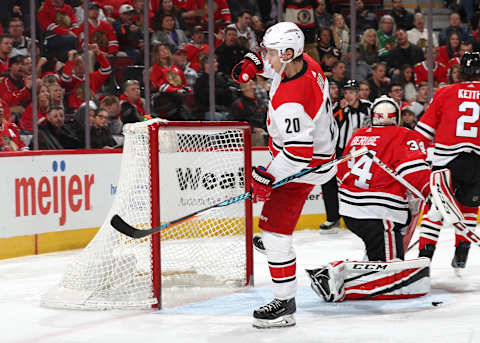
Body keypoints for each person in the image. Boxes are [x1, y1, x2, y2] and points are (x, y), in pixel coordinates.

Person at [231, 21, 338, 328]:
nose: (268, 57)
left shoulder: (292, 101)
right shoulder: (305, 63)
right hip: (309, 156)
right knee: (272, 226)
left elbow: (297, 155)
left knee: (275, 233)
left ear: (289, 52)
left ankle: (285, 304)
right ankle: (277, 245)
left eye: (271, 53)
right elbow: (276, 66)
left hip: (305, 166)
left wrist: (265, 177)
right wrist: (256, 60)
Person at [306, 95, 449, 302]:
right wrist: (434, 192)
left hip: (350, 211)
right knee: (393, 274)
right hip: (380, 215)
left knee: (380, 253)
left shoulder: (358, 136)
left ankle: (370, 261)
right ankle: (336, 279)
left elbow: (341, 173)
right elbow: (415, 175)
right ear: (396, 116)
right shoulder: (404, 135)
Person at [415, 52, 480, 271]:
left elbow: (423, 132)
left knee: (436, 208)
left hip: (447, 161)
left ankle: (424, 258)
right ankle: (462, 253)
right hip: (477, 163)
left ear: (460, 71)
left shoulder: (445, 92)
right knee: (469, 207)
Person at [320, 80, 372, 234]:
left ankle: (363, 217)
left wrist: (364, 131)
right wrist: (342, 111)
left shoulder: (369, 108)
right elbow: (330, 125)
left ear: (358, 93)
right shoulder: (338, 108)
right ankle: (333, 217)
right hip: (341, 152)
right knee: (328, 180)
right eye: (346, 92)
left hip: (363, 153)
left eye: (351, 92)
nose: (348, 95)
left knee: (360, 184)